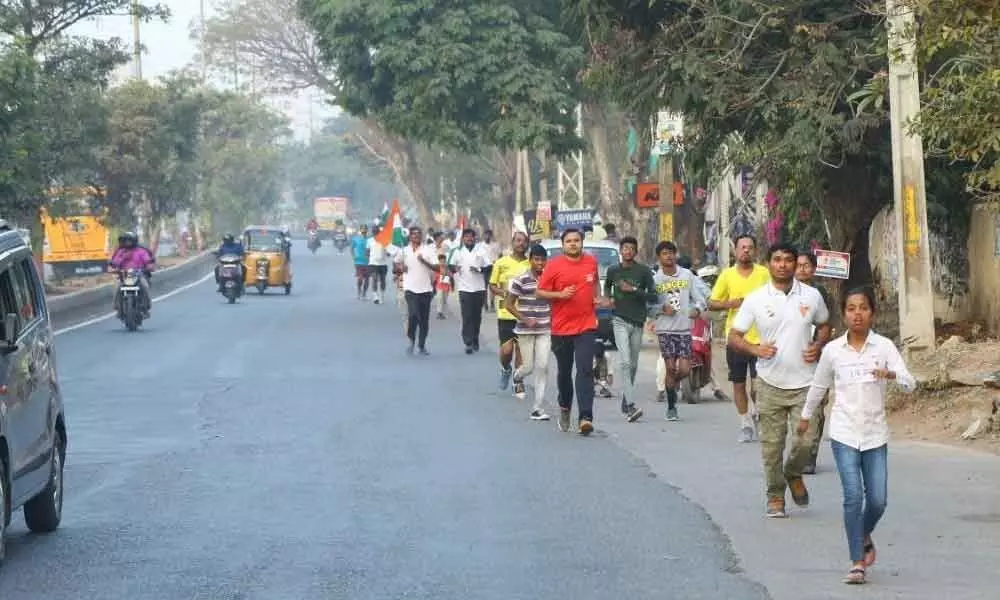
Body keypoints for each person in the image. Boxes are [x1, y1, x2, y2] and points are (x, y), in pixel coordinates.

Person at [797, 287, 915, 585]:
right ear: (844, 313)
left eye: (863, 307)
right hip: (844, 433)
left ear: (872, 312)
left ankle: (862, 533)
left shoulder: (884, 346)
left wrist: (890, 375)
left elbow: (910, 383)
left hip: (875, 434)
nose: (857, 313)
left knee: (878, 500)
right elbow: (819, 386)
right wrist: (805, 417)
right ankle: (857, 562)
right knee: (852, 496)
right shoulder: (833, 351)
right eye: (851, 308)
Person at [728, 242, 831, 518]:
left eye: (788, 260)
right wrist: (755, 349)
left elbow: (824, 325)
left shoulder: (811, 296)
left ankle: (793, 473)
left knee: (806, 441)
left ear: (795, 264)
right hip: (770, 382)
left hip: (806, 383)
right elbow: (734, 336)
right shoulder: (756, 299)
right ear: (769, 263)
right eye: (777, 259)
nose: (783, 264)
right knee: (771, 446)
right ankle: (775, 496)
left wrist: (818, 344)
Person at [537, 228, 609, 435]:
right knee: (565, 373)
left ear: (582, 243)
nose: (573, 244)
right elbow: (540, 292)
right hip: (561, 328)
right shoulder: (554, 266)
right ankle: (565, 407)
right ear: (563, 245)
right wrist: (559, 294)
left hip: (586, 325)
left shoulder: (591, 262)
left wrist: (598, 297)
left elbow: (594, 283)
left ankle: (585, 417)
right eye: (569, 241)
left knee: (585, 369)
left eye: (576, 240)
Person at [709, 234, 771, 443]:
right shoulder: (727, 276)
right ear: (735, 251)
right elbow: (713, 302)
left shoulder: (764, 274)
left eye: (750, 247)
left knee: (758, 386)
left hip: (761, 339)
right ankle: (745, 423)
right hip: (736, 338)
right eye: (742, 247)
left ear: (755, 251)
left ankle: (758, 415)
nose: (746, 250)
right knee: (738, 384)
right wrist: (731, 304)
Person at [650, 241, 708, 421]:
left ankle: (671, 386)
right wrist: (661, 309)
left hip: (684, 329)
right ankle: (671, 406)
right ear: (659, 258)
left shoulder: (687, 275)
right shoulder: (654, 280)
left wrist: (697, 309)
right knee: (669, 367)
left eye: (671, 253)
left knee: (683, 370)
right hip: (665, 330)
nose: (668, 256)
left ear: (675, 255)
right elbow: (648, 306)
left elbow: (702, 297)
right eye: (664, 253)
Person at [604, 235, 657, 422]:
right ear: (620, 251)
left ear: (636, 251)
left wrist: (634, 290)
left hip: (637, 321)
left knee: (633, 365)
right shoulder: (613, 271)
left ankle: (626, 399)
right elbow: (607, 288)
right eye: (625, 248)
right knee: (625, 362)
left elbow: (653, 296)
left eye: (631, 248)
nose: (627, 251)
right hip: (619, 320)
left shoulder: (643, 272)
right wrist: (609, 299)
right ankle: (631, 405)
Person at [795, 250, 834, 474]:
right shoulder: (786, 293)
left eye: (806, 265)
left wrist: (819, 345)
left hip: (819, 359)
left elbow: (828, 324)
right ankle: (797, 452)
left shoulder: (821, 295)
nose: (802, 269)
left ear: (814, 268)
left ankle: (810, 454)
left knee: (817, 406)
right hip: (792, 361)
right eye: (798, 265)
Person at [506, 244, 552, 421]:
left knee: (543, 366)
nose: (540, 263)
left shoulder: (549, 280)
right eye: (536, 259)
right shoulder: (521, 280)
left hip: (545, 328)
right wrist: (524, 319)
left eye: (543, 260)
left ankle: (537, 408)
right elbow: (509, 304)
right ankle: (517, 376)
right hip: (525, 330)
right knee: (528, 367)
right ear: (530, 260)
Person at [489, 231, 530, 389]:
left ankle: (518, 379)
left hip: (524, 312)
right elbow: (492, 286)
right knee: (507, 350)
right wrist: (504, 293)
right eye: (518, 241)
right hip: (506, 312)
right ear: (512, 243)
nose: (521, 244)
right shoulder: (501, 263)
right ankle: (506, 369)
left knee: (520, 350)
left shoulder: (530, 265)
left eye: (524, 241)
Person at [394, 226, 439, 355]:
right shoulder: (404, 251)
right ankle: (411, 340)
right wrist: (400, 268)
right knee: (413, 315)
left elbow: (437, 268)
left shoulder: (428, 250)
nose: (416, 237)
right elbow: (395, 266)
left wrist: (424, 261)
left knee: (424, 319)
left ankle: (422, 344)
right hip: (410, 289)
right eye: (414, 235)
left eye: (419, 234)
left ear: (421, 236)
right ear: (410, 237)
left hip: (425, 289)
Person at [449, 228, 489, 353]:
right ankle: (468, 342)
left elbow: (489, 266)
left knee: (476, 317)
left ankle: (475, 337)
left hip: (479, 288)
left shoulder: (481, 251)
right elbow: (451, 267)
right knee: (466, 316)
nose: (469, 239)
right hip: (464, 289)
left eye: (471, 237)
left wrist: (480, 270)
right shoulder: (458, 252)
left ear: (474, 238)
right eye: (466, 237)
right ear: (463, 239)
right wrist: (455, 268)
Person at [109, 231, 155, 316]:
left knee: (144, 285)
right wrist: (118, 263)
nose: (127, 243)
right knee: (116, 286)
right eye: (125, 241)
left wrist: (149, 267)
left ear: (134, 241)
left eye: (129, 240)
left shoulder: (141, 251)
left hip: (139, 274)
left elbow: (148, 261)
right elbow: (114, 263)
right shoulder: (120, 252)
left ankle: (146, 305)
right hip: (124, 275)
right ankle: (117, 306)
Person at [479, 229, 501, 311]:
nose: (487, 237)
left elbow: (500, 255)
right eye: (486, 235)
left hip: (493, 267)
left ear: (491, 236)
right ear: (483, 236)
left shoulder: (495, 245)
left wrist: (498, 262)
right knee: (484, 287)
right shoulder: (480, 246)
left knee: (492, 286)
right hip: (484, 268)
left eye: (489, 235)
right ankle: (485, 304)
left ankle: (492, 303)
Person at [367, 226, 389, 304]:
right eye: (374, 232)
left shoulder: (384, 240)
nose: (375, 233)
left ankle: (382, 296)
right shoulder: (369, 241)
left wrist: (386, 254)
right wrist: (369, 258)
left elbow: (388, 251)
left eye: (376, 232)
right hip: (373, 263)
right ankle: (375, 296)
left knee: (383, 280)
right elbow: (367, 251)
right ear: (372, 233)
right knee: (375, 278)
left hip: (383, 263)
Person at [351, 224, 371, 300]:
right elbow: (351, 248)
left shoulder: (370, 239)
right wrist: (353, 256)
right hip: (358, 261)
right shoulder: (355, 239)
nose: (364, 231)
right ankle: (359, 292)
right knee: (360, 278)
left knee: (367, 279)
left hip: (368, 262)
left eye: (365, 229)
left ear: (367, 230)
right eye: (362, 229)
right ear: (360, 230)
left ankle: (364, 294)